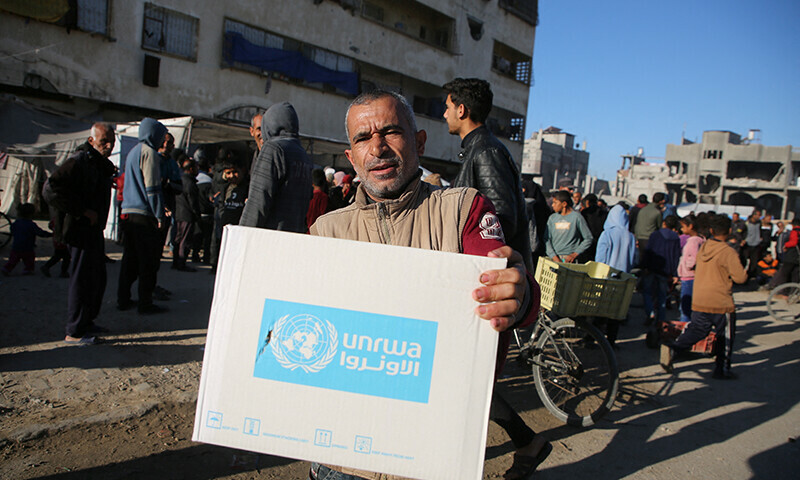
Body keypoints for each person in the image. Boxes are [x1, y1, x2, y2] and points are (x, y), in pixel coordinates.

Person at [308, 90, 548, 480]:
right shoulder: (325, 232)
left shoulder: (463, 210)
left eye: (391, 132)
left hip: (429, 455)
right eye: (363, 138)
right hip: (340, 458)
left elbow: (501, 284)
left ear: (419, 142)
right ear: (350, 157)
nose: (378, 148)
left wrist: (517, 296)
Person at [443, 77, 532, 271]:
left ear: (461, 110)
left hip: (493, 271)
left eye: (448, 107)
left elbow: (503, 219)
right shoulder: (478, 148)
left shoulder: (486, 151)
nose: (444, 114)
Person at [43, 123, 116, 344]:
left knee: (96, 278)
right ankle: (74, 332)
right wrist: (82, 211)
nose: (109, 146)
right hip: (80, 230)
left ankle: (86, 322)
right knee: (82, 279)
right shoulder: (79, 160)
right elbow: (50, 189)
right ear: (92, 140)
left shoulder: (98, 163)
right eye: (104, 142)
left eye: (111, 141)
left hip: (94, 230)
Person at [661, 214, 747, 379]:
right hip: (721, 301)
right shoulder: (728, 252)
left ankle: (674, 347)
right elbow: (740, 278)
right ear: (729, 231)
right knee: (725, 336)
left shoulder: (704, 247)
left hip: (700, 298)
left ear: (712, 230)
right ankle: (721, 369)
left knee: (697, 330)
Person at [117, 117, 169, 315]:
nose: (163, 141)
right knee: (148, 261)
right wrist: (159, 215)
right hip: (143, 214)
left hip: (128, 213)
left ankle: (123, 298)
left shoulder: (133, 152)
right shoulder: (150, 154)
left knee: (129, 259)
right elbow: (152, 189)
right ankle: (145, 303)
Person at [239, 102, 313, 232]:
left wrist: (241, 237)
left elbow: (257, 202)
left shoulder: (273, 149)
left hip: (270, 237)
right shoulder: (302, 154)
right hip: (292, 235)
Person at [593, 203, 636, 348]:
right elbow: (632, 259)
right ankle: (611, 341)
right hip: (623, 278)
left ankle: (593, 338)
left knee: (599, 309)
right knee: (616, 311)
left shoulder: (607, 234)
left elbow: (601, 258)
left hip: (606, 277)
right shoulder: (630, 236)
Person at [641, 215, 681, 325]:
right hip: (666, 270)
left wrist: (645, 266)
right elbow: (676, 256)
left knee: (647, 292)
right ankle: (661, 319)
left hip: (652, 268)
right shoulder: (675, 238)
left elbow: (648, 251)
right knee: (662, 296)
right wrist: (674, 273)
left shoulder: (655, 235)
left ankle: (650, 312)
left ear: (664, 223)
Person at [211, 158, 249, 271]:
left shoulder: (248, 188)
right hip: (225, 223)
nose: (232, 176)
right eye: (228, 173)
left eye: (235, 172)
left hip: (239, 225)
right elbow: (221, 204)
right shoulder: (225, 187)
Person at [1, 203, 52, 276]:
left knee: (13, 260)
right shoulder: (31, 225)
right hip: (28, 247)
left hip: (16, 246)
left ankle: (7, 269)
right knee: (29, 259)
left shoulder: (16, 223)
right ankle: (28, 270)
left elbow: (12, 230)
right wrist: (50, 234)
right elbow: (40, 233)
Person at [544, 190, 593, 263]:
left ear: (564, 204)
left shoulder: (577, 217)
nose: (552, 205)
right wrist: (554, 257)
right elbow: (546, 239)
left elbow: (588, 238)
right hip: (554, 258)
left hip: (570, 260)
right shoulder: (552, 218)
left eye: (555, 203)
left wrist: (575, 254)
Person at [172, 157, 201, 272]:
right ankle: (181, 262)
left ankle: (176, 261)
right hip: (187, 214)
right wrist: (196, 214)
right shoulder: (190, 183)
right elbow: (192, 201)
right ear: (190, 169)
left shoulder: (180, 180)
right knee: (185, 239)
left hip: (179, 213)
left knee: (178, 238)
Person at [677, 215, 704, 323]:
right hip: (694, 276)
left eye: (683, 227)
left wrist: (686, 266)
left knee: (685, 308)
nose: (682, 229)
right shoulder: (701, 239)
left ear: (691, 226)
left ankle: (684, 329)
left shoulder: (693, 241)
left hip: (689, 276)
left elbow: (693, 259)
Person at [765, 218, 800, 289]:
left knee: (784, 272)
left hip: (791, 255)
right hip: (798, 257)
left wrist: (786, 245)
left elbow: (794, 242)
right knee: (795, 274)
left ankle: (778, 288)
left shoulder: (794, 231)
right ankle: (793, 290)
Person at [41, 207, 72, 278]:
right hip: (63, 241)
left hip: (57, 240)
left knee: (58, 256)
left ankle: (47, 266)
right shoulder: (66, 219)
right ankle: (63, 272)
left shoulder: (55, 219)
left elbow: (50, 226)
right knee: (66, 257)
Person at [578, 193, 607, 263]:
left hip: (587, 242)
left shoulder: (585, 213)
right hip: (599, 241)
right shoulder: (604, 213)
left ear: (587, 202)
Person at [742, 210, 762, 279]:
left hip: (756, 244)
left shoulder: (759, 223)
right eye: (758, 215)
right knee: (744, 261)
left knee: (754, 262)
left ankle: (749, 276)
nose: (759, 217)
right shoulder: (746, 223)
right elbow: (740, 232)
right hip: (747, 244)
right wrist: (742, 240)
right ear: (754, 215)